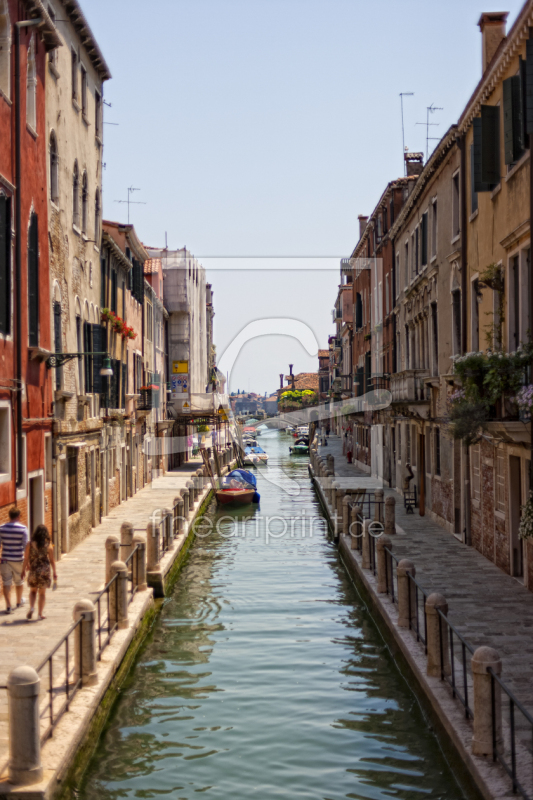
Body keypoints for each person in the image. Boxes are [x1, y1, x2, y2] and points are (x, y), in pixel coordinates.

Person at [22, 525, 57, 621]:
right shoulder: (48, 545)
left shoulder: (29, 544)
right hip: (44, 571)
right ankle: (40, 614)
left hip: (33, 571)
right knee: (42, 594)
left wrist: (23, 571)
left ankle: (32, 607)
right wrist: (54, 572)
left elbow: (26, 558)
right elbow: (52, 560)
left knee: (33, 591)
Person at [0, 507, 29, 614]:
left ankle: (8, 606)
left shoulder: (1, 528)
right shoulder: (23, 529)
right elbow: (26, 546)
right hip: (18, 559)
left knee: (6, 582)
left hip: (5, 559)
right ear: (18, 516)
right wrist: (28, 561)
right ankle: (18, 602)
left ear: (9, 516)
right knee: (19, 581)